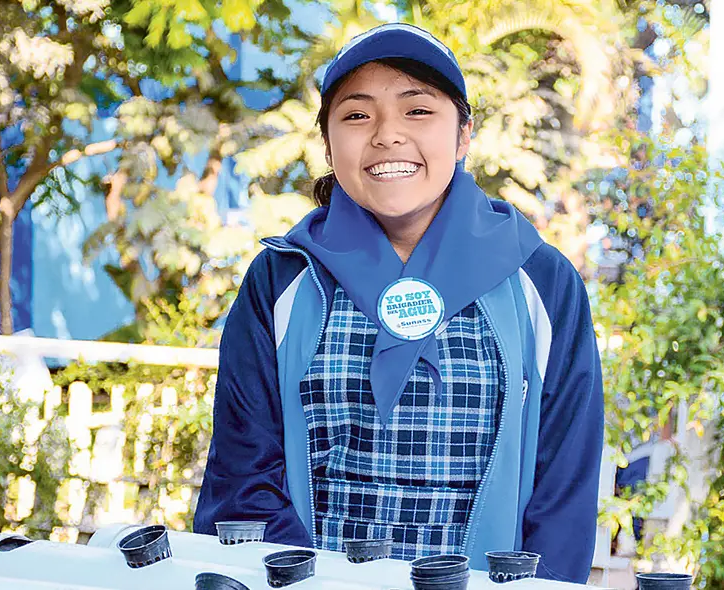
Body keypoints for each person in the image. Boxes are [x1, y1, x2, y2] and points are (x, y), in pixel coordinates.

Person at [193, 23, 604, 583]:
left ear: (463, 135)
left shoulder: (540, 280)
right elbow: (244, 477)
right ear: (329, 143)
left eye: (418, 111)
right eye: (357, 115)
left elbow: (564, 488)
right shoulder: (281, 279)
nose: (387, 135)